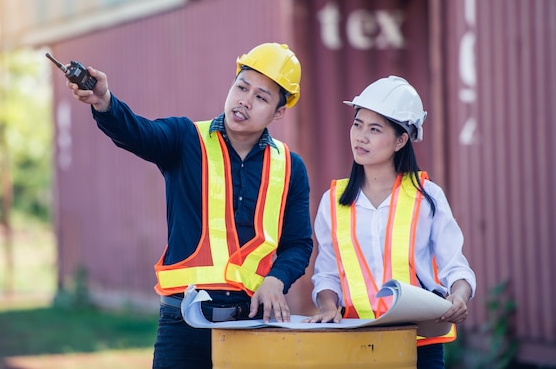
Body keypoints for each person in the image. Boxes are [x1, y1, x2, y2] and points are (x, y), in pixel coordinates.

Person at [65, 42, 314, 369]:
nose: (244, 101)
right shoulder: (185, 139)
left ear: (279, 112)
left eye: (261, 97)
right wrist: (104, 102)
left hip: (251, 321)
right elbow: (138, 133)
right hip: (183, 321)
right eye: (241, 87)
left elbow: (298, 244)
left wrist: (275, 280)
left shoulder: (290, 167)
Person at [303, 76, 476, 368]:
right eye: (357, 124)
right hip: (354, 342)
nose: (360, 136)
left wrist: (459, 296)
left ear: (400, 140)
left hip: (419, 343)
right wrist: (327, 306)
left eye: (374, 129)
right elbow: (327, 274)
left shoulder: (427, 198)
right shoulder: (332, 202)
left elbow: (455, 266)